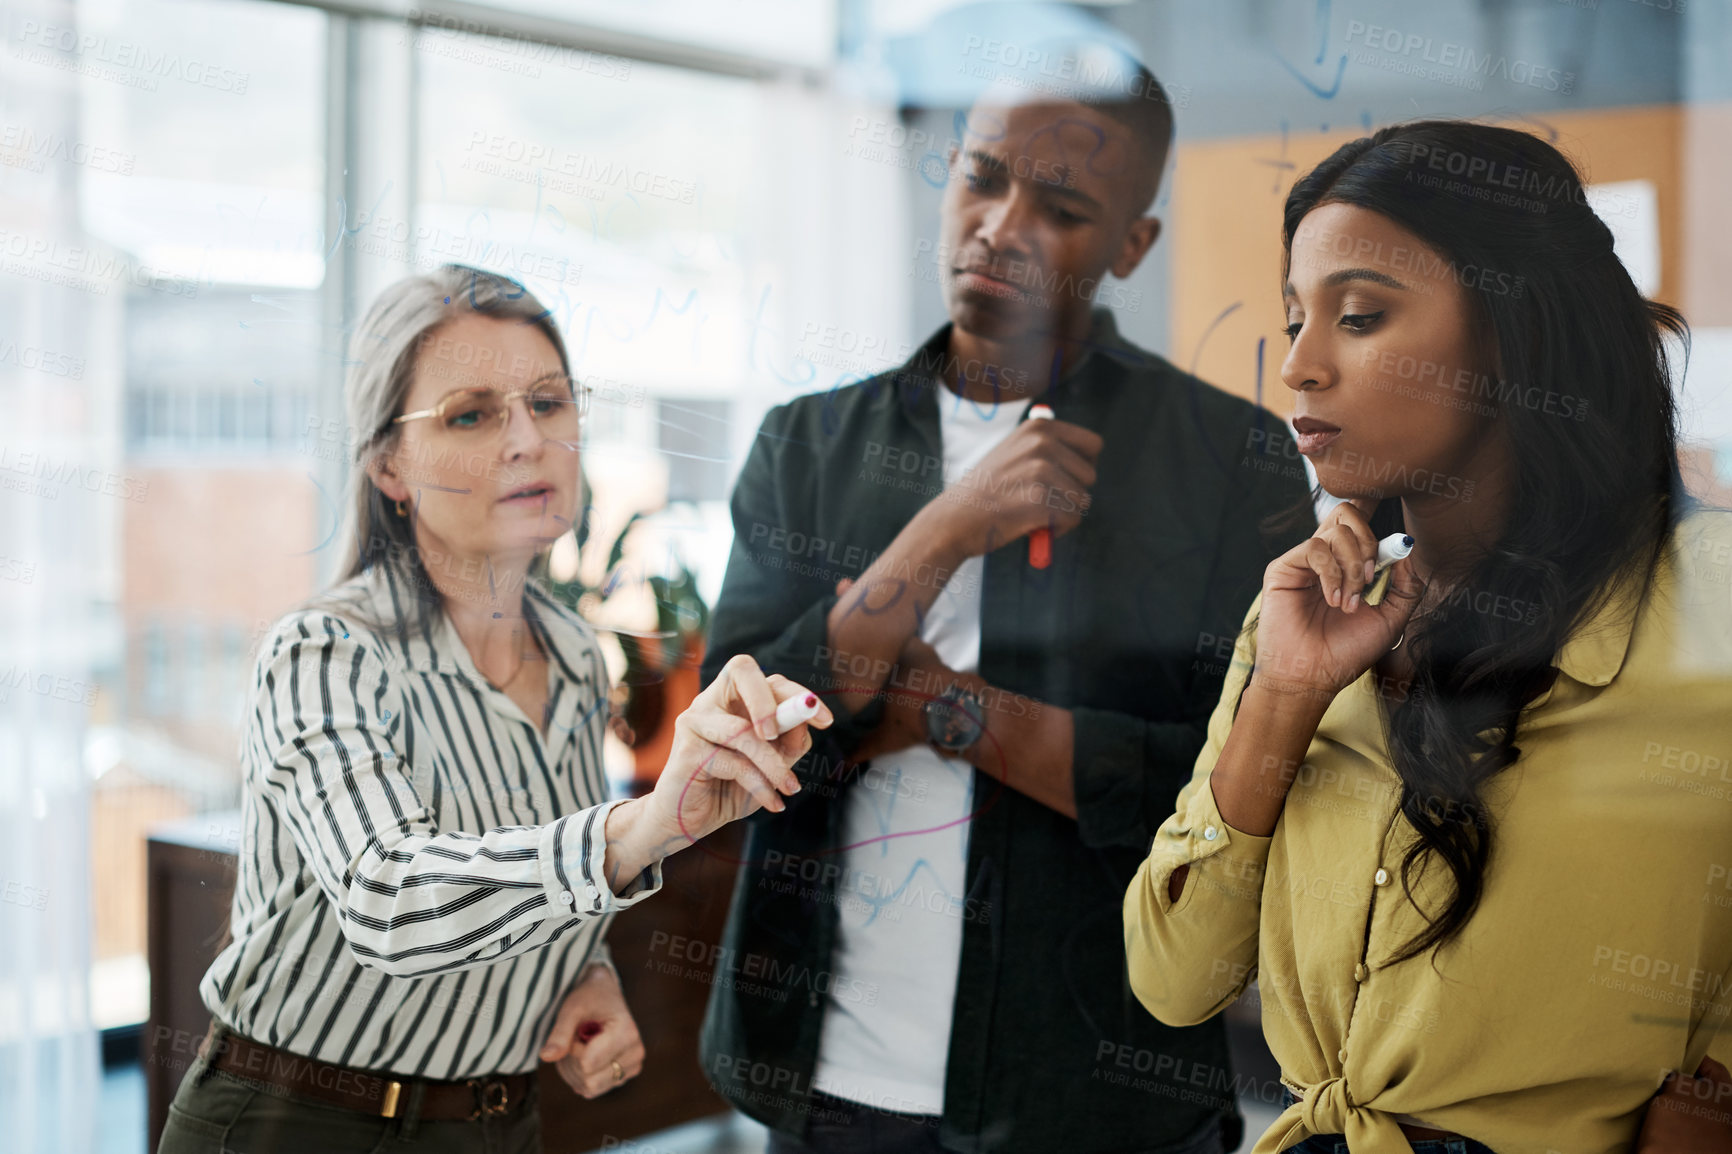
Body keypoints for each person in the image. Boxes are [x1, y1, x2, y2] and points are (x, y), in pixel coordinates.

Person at [697, 59, 1315, 1154]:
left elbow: (1237, 793)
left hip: (1098, 1098)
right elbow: (738, 739)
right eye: (980, 178)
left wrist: (945, 705)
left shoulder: (1234, 461)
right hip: (827, 1085)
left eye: (1063, 208)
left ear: (1132, 244)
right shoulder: (804, 444)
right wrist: (946, 529)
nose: (1001, 227)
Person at [1123, 120, 1732, 1153]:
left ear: (1514, 330)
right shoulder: (1302, 613)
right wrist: (1282, 695)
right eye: (1292, 318)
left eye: (1357, 316)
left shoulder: (1709, 596)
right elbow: (1175, 979)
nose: (1299, 368)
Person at [157, 264, 830, 1154]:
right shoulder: (323, 653)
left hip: (495, 1124)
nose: (528, 439)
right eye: (472, 414)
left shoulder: (574, 654)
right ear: (389, 465)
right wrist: (639, 828)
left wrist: (584, 976)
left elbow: (541, 882)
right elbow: (388, 899)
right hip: (294, 1122)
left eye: (549, 403)